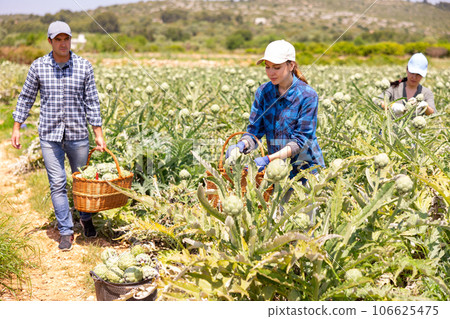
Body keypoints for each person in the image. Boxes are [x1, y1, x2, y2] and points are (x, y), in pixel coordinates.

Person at [11, 21, 106, 251]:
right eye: (58, 39)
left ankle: (85, 218)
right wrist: (16, 126)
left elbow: (92, 102)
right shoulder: (38, 67)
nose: (63, 44)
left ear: (70, 40)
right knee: (57, 183)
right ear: (50, 41)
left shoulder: (84, 67)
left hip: (77, 134)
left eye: (66, 39)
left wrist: (98, 133)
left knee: (82, 182)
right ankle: (66, 231)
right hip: (49, 135)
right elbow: (26, 97)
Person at [225, 39, 324, 202]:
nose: (271, 72)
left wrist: (268, 159)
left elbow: (300, 142)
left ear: (291, 65)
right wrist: (242, 145)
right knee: (278, 220)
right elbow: (254, 131)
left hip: (306, 170)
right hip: (277, 172)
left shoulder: (308, 95)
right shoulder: (263, 92)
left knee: (308, 223)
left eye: (277, 67)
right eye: (267, 67)